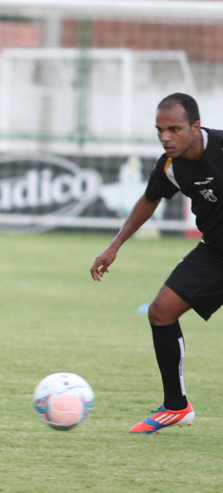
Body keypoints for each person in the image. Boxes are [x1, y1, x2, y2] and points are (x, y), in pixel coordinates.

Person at [90, 91, 223, 434]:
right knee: (161, 312)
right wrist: (114, 246)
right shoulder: (169, 165)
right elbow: (149, 200)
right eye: (160, 130)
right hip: (215, 253)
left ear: (195, 126)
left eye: (174, 129)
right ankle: (176, 407)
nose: (166, 137)